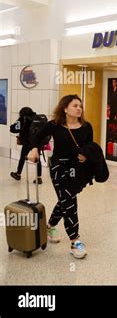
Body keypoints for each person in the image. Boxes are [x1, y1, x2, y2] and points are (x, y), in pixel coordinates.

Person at [27, 95, 93, 259]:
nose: (79, 108)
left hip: (76, 168)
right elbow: (37, 137)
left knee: (66, 198)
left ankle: (49, 226)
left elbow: (89, 145)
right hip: (58, 166)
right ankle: (74, 241)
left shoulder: (86, 126)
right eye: (75, 105)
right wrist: (34, 148)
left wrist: (86, 155)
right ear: (65, 108)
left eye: (80, 106)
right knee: (70, 202)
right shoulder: (54, 125)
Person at [10, 107, 43, 184]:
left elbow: (14, 129)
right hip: (37, 142)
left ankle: (18, 174)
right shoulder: (37, 118)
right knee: (37, 158)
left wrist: (12, 126)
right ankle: (39, 178)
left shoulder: (23, 119)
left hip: (27, 142)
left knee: (22, 157)